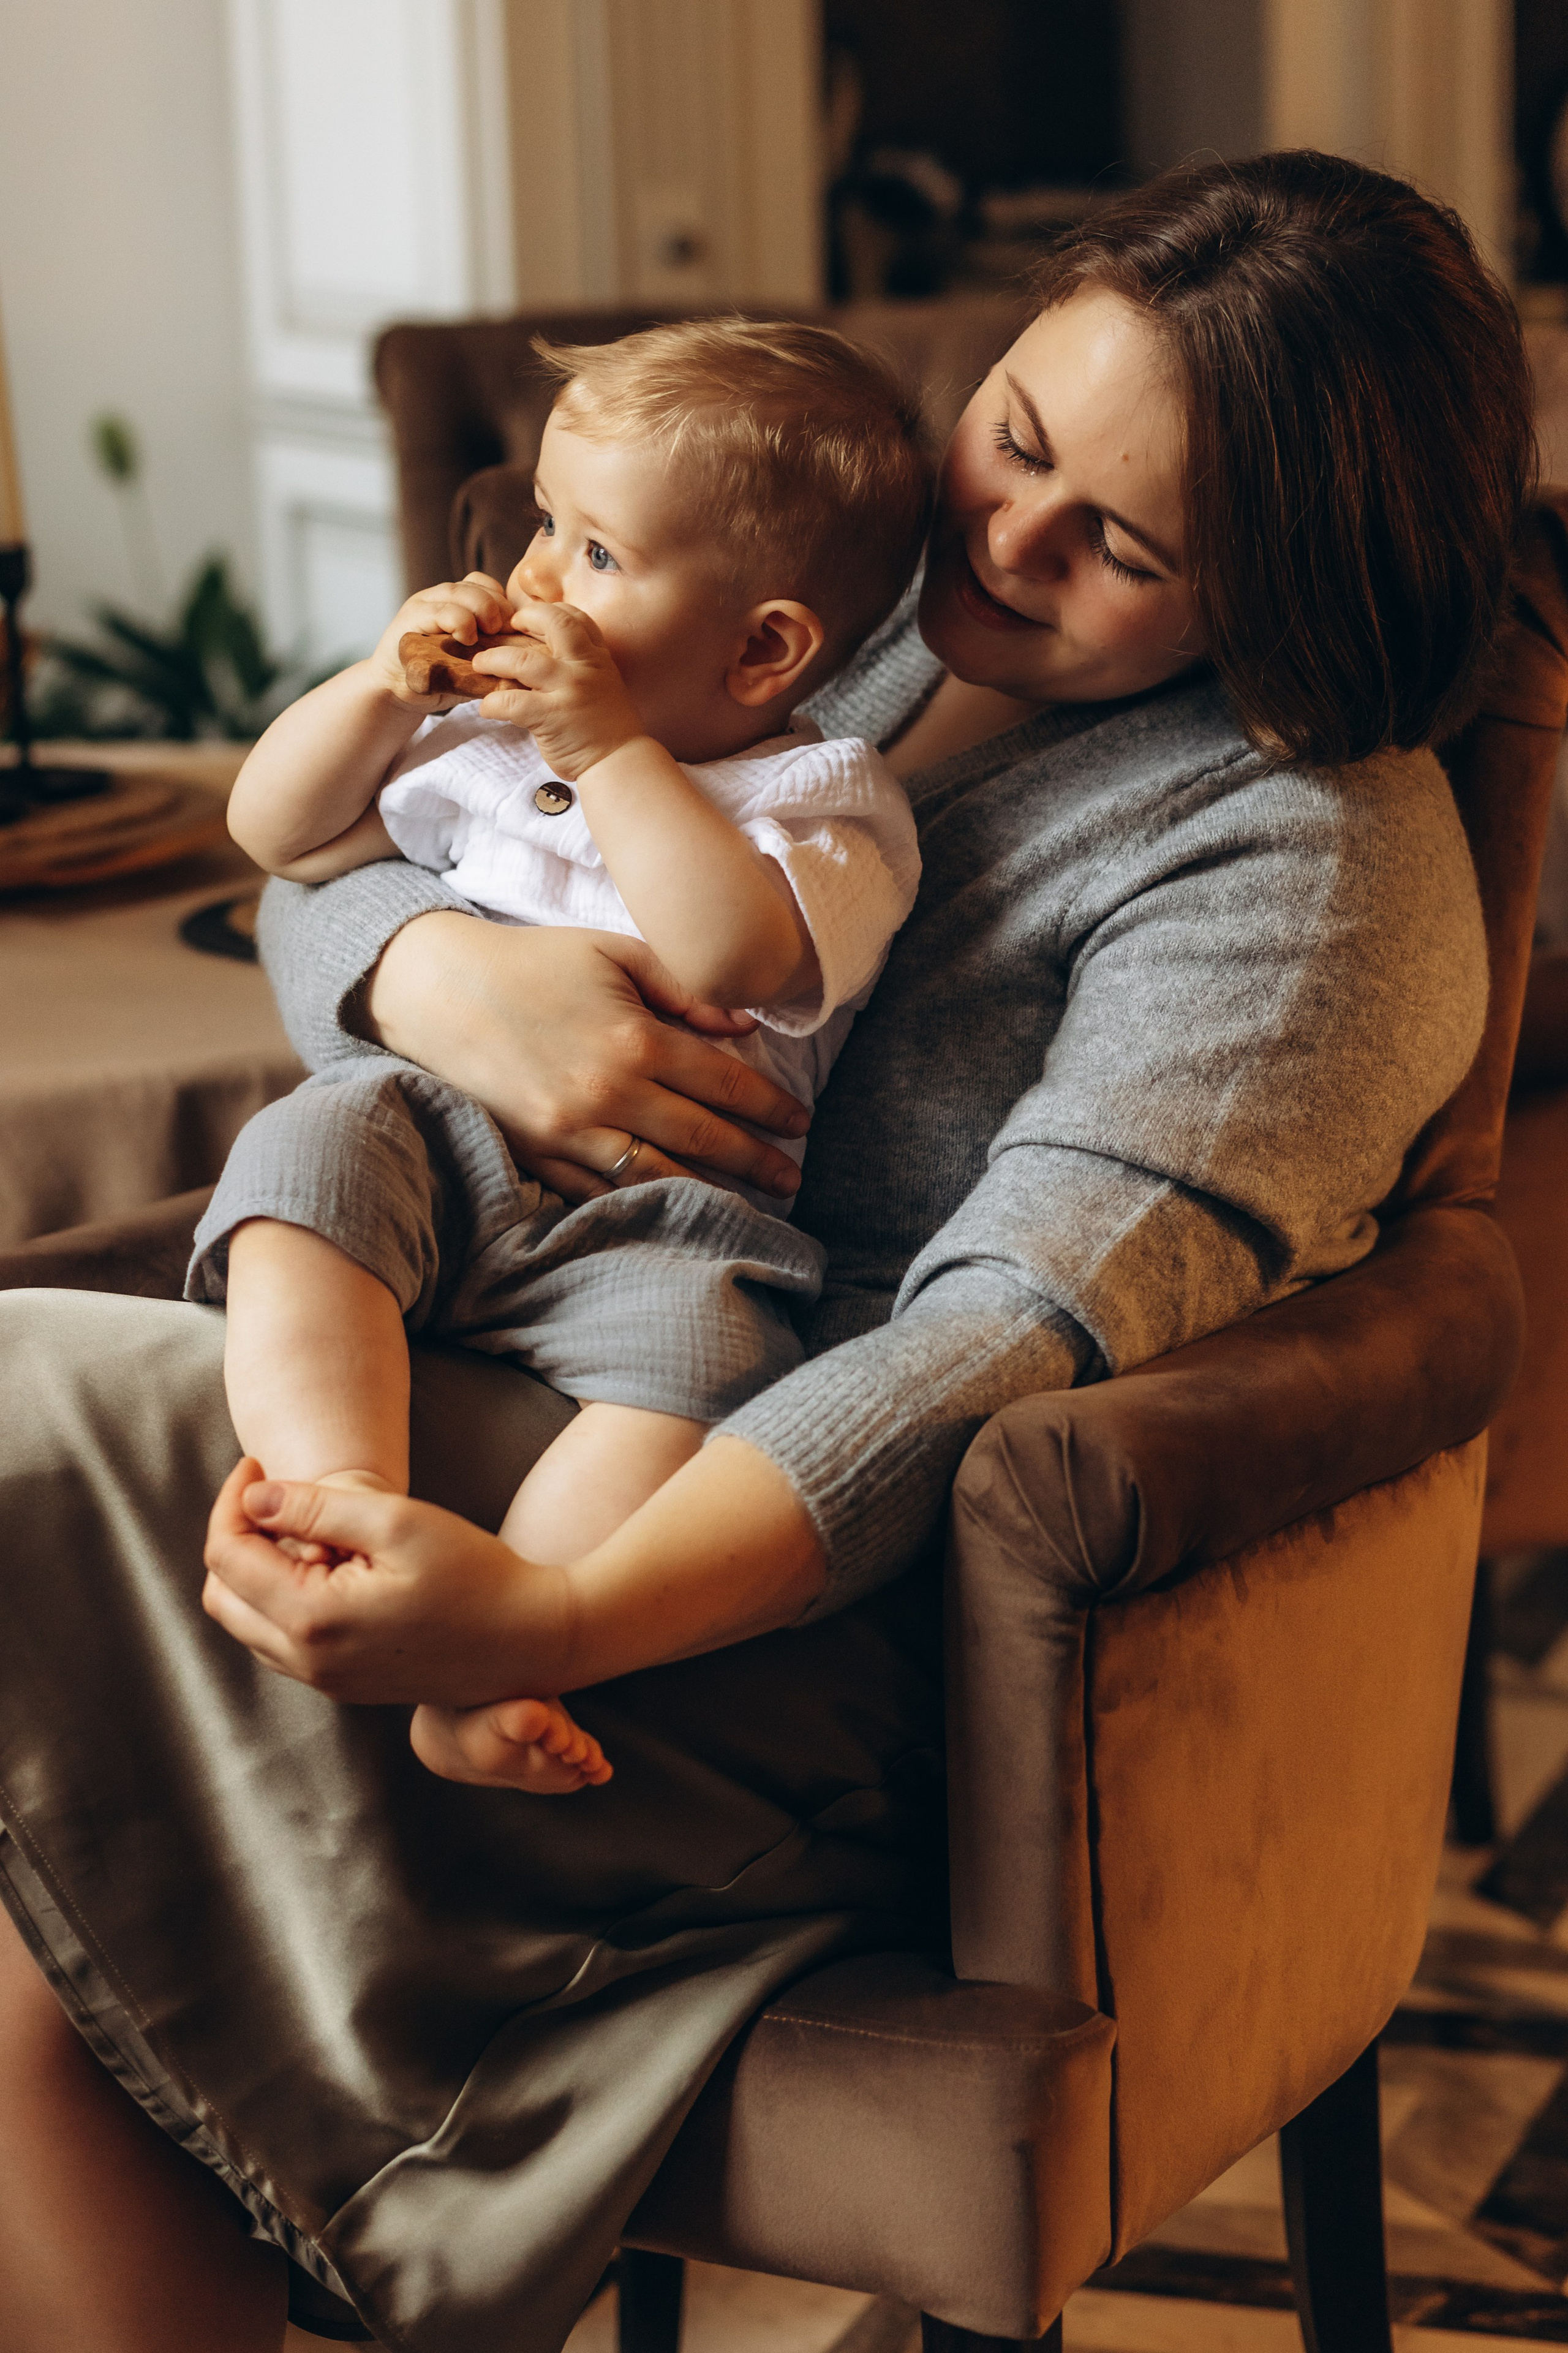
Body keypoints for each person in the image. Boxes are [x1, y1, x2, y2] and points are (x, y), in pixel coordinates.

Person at [0, 151, 1531, 2353]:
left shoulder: (1308, 872)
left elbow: (1004, 1342)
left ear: (1285, 598)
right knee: (40, 1924)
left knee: (32, 1406)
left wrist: (560, 1605)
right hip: (535, 1377)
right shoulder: (871, 599)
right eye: (1014, 432)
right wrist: (443, 979)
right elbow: (364, 845)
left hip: (823, 1609)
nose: (1001, 538)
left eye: (1117, 541)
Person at [191, 322, 928, 1794]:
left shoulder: (826, 804)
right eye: (543, 519)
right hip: (435, 1137)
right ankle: (335, 1485)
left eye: (592, 553)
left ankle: (482, 1654)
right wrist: (381, 692)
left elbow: (730, 953)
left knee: (711, 1373)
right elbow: (277, 838)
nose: (533, 574)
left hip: (666, 1224)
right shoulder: (480, 745)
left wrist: (610, 757)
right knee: (303, 1158)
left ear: (765, 646)